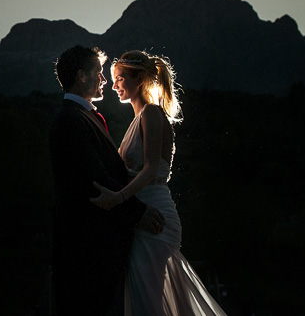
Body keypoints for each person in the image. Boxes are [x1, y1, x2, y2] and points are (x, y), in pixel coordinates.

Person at [91, 50, 228, 316]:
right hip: (141, 217)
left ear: (140, 78)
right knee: (146, 300)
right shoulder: (138, 118)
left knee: (147, 303)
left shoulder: (151, 114)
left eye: (120, 78)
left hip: (155, 217)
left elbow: (151, 170)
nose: (115, 85)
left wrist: (118, 198)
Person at [50, 45, 166, 315]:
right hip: (87, 252)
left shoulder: (85, 117)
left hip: (102, 248)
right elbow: (95, 180)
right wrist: (139, 212)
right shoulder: (70, 119)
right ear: (82, 76)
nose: (104, 80)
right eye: (99, 73)